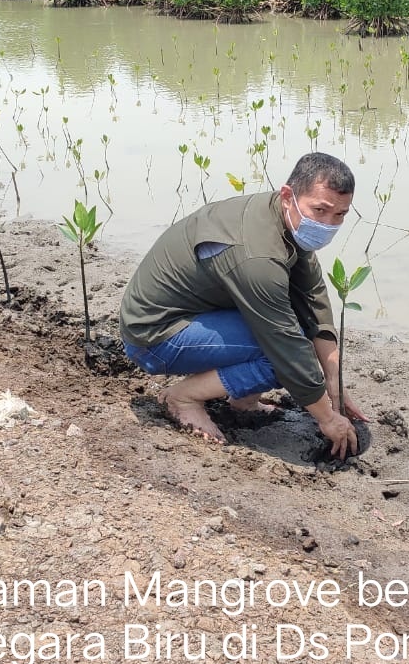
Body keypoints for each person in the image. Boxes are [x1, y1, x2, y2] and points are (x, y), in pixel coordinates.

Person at [119, 152, 368, 458]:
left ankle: (243, 401)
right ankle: (183, 397)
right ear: (288, 195)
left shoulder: (286, 218)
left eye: (340, 215)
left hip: (196, 314)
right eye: (321, 210)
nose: (328, 224)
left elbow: (314, 298)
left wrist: (334, 382)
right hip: (155, 336)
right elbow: (286, 347)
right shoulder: (258, 255)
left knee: (297, 333)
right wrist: (327, 418)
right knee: (282, 356)